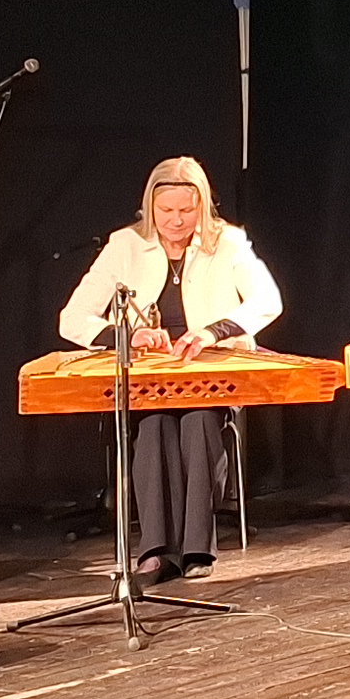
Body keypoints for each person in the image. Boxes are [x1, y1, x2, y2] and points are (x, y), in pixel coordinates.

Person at [58, 157, 283, 584]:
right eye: (166, 211)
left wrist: (212, 332)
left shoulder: (229, 242)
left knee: (200, 423)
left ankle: (197, 549)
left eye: (186, 210)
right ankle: (157, 550)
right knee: (155, 425)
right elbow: (72, 319)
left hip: (210, 371)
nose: (176, 221)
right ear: (150, 207)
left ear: (203, 206)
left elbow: (267, 301)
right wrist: (128, 336)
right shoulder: (125, 245)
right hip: (150, 376)